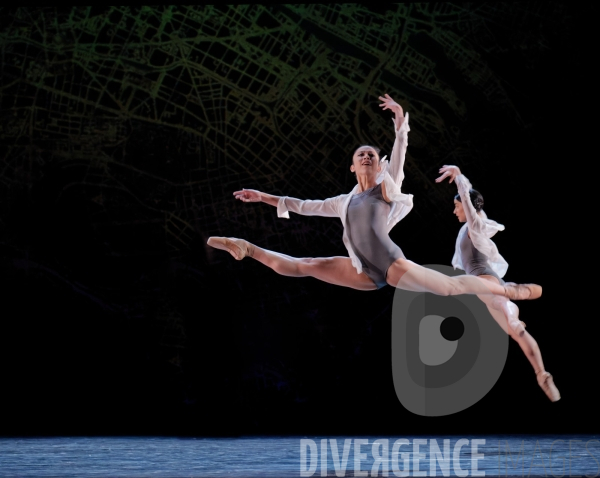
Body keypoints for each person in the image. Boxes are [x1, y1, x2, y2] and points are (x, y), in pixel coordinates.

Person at [208, 94, 542, 307]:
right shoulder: (343, 202)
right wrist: (263, 196)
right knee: (306, 265)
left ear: (377, 163)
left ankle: (507, 289)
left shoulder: (385, 188)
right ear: (352, 166)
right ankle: (246, 248)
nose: (367, 155)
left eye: (371, 154)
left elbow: (398, 159)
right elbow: (302, 205)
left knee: (451, 290)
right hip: (364, 272)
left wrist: (401, 128)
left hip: (391, 264)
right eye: (361, 154)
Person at [436, 164, 560, 402]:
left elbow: (469, 202)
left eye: (456, 206)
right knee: (516, 331)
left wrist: (460, 177)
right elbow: (471, 199)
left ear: (466, 205)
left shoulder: (474, 226)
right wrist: (463, 183)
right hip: (484, 289)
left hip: (484, 281)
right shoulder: (474, 225)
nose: (454, 211)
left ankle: (510, 295)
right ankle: (541, 373)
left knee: (458, 289)